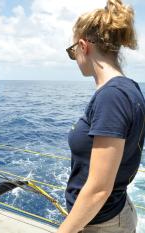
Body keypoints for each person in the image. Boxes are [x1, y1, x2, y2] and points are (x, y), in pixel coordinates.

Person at [57, 0, 145, 233]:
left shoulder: (112, 97)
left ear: (83, 46)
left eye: (72, 51)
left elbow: (98, 189)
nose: (74, 57)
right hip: (111, 214)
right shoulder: (128, 89)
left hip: (103, 224)